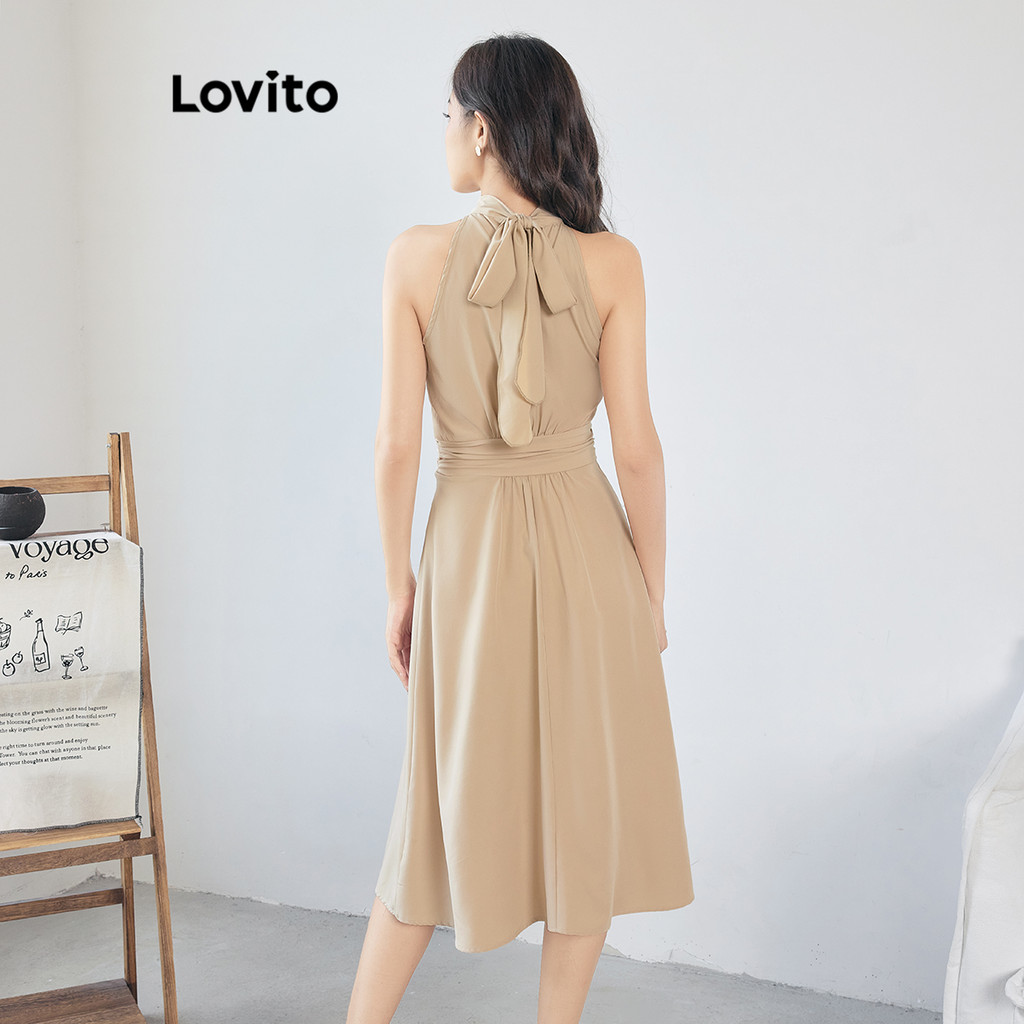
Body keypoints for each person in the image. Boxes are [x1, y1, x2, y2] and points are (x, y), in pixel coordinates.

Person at [346, 32, 695, 1024]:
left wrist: (398, 587)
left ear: (482, 129)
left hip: (467, 548)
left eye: (449, 114)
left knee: (433, 809)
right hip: (589, 549)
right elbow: (638, 451)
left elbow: (394, 448)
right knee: (585, 806)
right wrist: (650, 594)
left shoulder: (414, 257)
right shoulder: (614, 262)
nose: (445, 132)